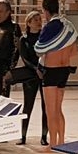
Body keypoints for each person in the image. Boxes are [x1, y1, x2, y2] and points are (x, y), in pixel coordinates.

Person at [35, 0, 78, 150]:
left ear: (45, 11)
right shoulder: (69, 26)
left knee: (51, 110)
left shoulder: (49, 27)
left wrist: (52, 51)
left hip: (52, 71)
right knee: (58, 108)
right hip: (65, 69)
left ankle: (53, 144)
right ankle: (61, 141)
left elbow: (39, 49)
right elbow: (74, 51)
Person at [17, 10, 49, 146]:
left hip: (44, 74)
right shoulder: (24, 39)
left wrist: (42, 69)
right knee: (28, 106)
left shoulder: (44, 37)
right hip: (31, 75)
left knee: (45, 106)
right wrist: (36, 69)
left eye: (40, 19)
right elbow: (25, 58)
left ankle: (44, 136)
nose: (39, 22)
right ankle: (23, 136)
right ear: (29, 23)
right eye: (35, 20)